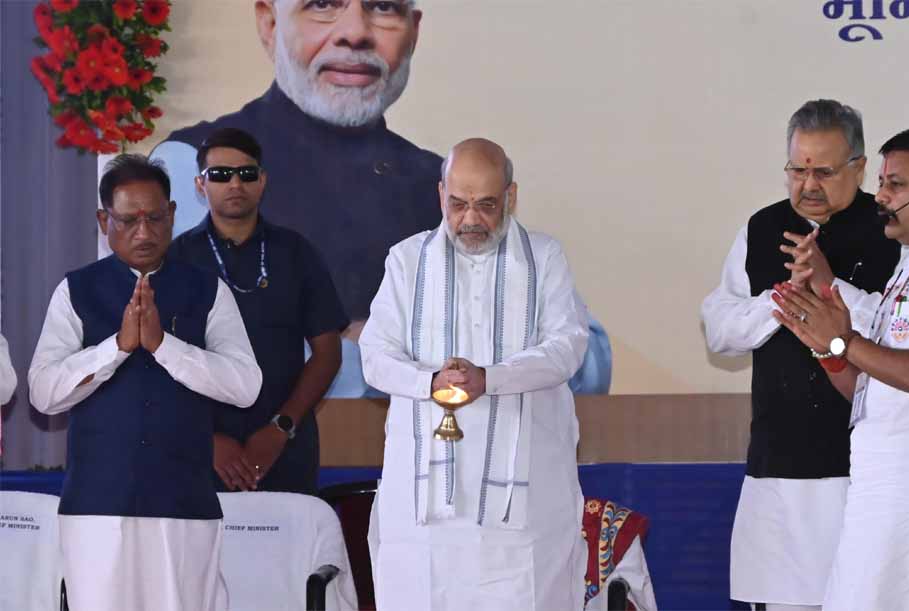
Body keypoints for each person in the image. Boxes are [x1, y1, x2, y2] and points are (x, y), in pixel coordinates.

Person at [152, 0, 611, 396]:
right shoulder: (193, 165)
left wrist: (394, 347)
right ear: (269, 22)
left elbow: (585, 363)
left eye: (384, 6)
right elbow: (197, 351)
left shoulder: (446, 187)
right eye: (322, 3)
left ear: (413, 32)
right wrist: (399, 356)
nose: (355, 32)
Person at [772, 127, 909, 610]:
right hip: (886, 483)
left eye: (895, 184)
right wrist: (827, 347)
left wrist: (844, 340)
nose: (881, 196)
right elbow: (868, 385)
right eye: (881, 182)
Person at [360, 138, 588, 610]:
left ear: (511, 196)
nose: (470, 219)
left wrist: (491, 379)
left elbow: (567, 347)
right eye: (458, 204)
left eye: (486, 205)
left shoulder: (544, 258)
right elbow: (374, 357)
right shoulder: (406, 260)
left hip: (524, 510)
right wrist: (430, 382)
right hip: (424, 511)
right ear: (440, 194)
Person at [28, 154, 262, 611]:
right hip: (96, 507)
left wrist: (163, 346)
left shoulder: (207, 290)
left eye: (155, 218)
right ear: (104, 221)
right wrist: (116, 348)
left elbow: (244, 385)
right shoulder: (76, 290)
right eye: (128, 220)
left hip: (184, 506)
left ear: (172, 214)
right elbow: (43, 393)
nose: (144, 232)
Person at [701, 99, 900, 611]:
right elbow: (719, 331)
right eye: (797, 170)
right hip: (781, 468)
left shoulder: (894, 230)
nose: (808, 185)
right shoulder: (761, 227)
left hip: (868, 466)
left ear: (859, 167)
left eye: (824, 172)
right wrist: (785, 297)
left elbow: (903, 335)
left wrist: (831, 287)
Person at [170, 127, 349, 494]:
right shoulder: (176, 259)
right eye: (221, 174)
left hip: (284, 446)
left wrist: (280, 428)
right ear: (201, 185)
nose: (235, 183)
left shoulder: (296, 253)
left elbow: (328, 353)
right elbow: (160, 358)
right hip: (197, 449)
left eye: (247, 173)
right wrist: (206, 437)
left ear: (262, 180)